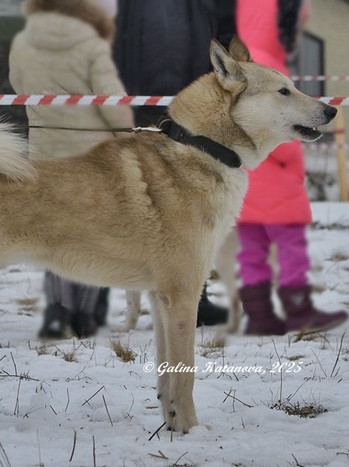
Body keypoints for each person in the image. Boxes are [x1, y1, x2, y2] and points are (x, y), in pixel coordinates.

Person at [9, 0, 134, 339]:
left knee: (56, 235)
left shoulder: (22, 43)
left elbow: (18, 86)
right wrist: (128, 135)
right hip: (91, 159)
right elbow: (113, 102)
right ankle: (85, 315)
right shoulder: (91, 45)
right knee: (94, 236)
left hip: (45, 155)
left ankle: (57, 311)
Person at [112, 0, 235, 326]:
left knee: (194, 204)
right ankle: (129, 296)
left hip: (194, 103)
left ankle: (194, 297)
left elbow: (227, 28)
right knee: (140, 203)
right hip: (135, 103)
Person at [234, 0, 348, 335]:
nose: (299, 33)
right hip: (277, 183)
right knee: (291, 249)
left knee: (250, 251)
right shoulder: (268, 67)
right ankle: (299, 310)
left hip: (246, 181)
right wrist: (293, 162)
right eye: (298, 24)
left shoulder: (243, 63)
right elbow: (279, 123)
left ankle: (257, 313)